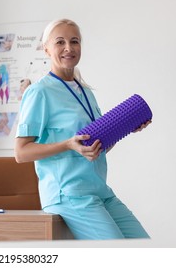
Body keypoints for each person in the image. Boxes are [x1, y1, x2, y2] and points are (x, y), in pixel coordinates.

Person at [14, 18, 151, 239]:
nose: (69, 48)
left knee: (146, 249)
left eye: (74, 41)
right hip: (69, 195)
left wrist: (127, 127)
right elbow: (21, 153)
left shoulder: (86, 92)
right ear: (46, 49)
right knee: (120, 257)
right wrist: (68, 144)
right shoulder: (39, 92)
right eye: (60, 42)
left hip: (99, 191)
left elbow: (94, 148)